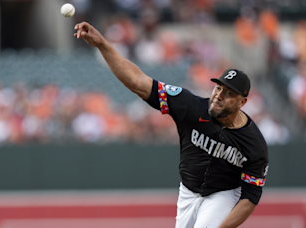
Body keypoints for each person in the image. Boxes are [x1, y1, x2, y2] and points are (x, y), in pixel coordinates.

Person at [74, 21, 269, 228]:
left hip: (224, 193)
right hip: (187, 191)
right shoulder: (191, 107)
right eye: (218, 88)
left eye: (228, 94)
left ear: (242, 102)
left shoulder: (254, 144)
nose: (219, 96)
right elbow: (137, 82)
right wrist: (103, 44)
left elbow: (250, 198)